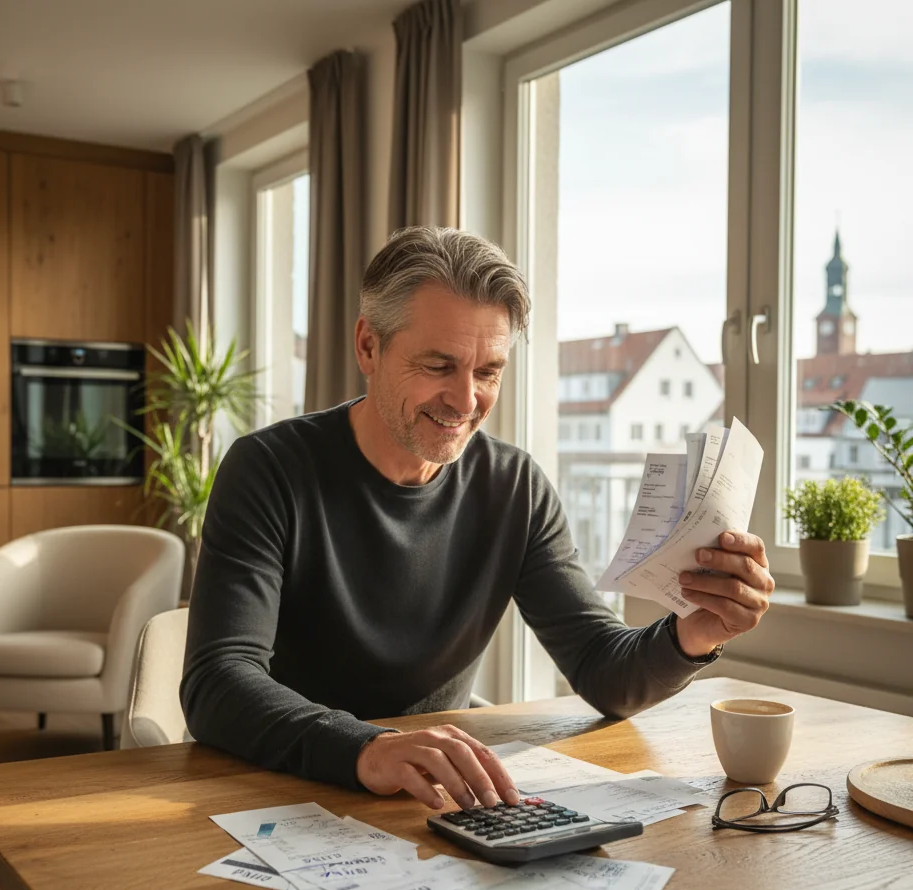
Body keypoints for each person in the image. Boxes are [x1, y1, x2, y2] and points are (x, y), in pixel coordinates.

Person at [181, 226, 774, 813]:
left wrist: (693, 634)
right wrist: (371, 748)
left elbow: (602, 671)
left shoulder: (513, 488)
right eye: (439, 366)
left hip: (428, 801)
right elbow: (219, 681)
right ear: (368, 345)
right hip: (275, 792)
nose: (466, 401)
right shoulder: (268, 470)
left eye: (488, 372)